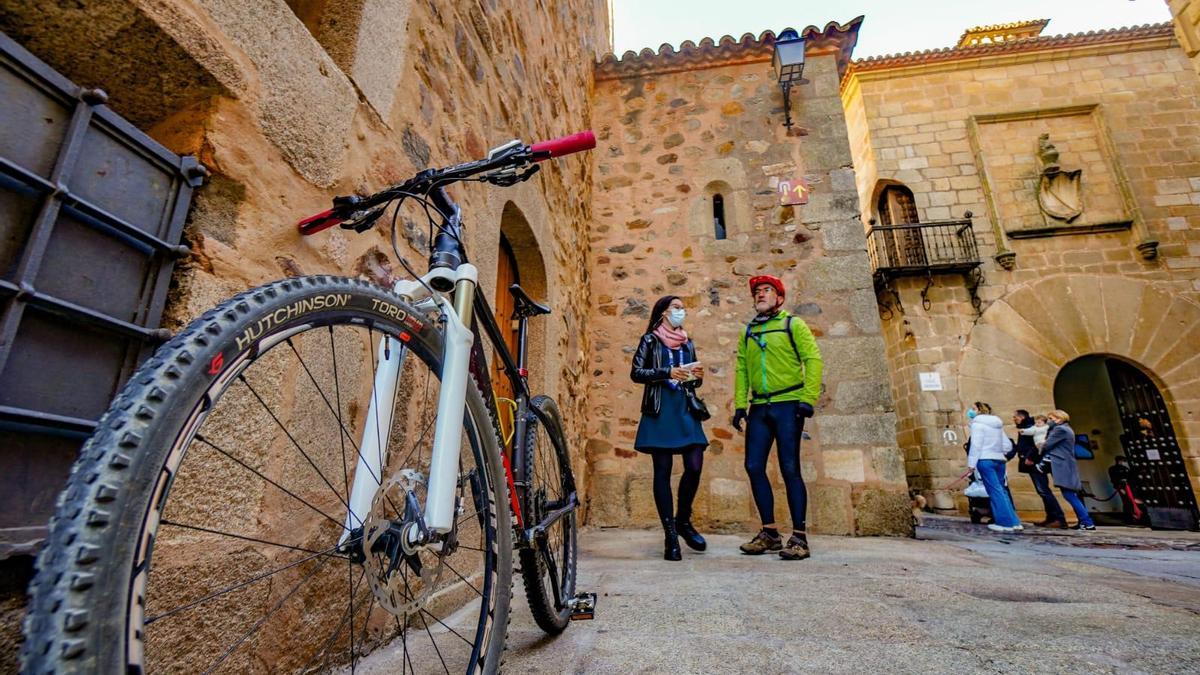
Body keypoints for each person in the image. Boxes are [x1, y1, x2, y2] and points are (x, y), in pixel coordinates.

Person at [731, 275, 822, 560]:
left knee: (789, 467)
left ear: (779, 298)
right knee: (753, 466)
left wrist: (807, 399)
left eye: (767, 290)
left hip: (788, 404)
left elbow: (813, 359)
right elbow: (742, 369)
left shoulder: (792, 324)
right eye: (757, 291)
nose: (760, 294)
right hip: (759, 407)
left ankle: (799, 538)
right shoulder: (748, 331)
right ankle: (769, 533)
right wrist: (739, 405)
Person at [631, 295, 709, 560]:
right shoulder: (650, 340)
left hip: (685, 409)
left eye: (682, 308)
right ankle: (670, 535)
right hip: (660, 410)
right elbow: (636, 372)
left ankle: (683, 520)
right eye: (676, 307)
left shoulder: (688, 342)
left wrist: (696, 377)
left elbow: (693, 381)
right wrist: (666, 372)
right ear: (663, 312)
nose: (681, 312)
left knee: (695, 465)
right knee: (662, 471)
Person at [966, 402, 1023, 533]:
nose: (971, 411)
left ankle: (1004, 523)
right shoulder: (997, 425)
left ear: (979, 411)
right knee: (1002, 490)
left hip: (985, 459)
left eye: (974, 409)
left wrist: (971, 464)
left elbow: (976, 445)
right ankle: (1015, 522)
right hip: (999, 459)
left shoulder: (977, 424)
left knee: (994, 491)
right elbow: (1007, 445)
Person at [1040, 409, 1095, 531]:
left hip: (1062, 465)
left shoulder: (1060, 429)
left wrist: (1040, 445)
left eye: (1051, 418)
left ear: (1059, 419)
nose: (1049, 421)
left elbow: (1047, 444)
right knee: (1070, 494)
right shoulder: (1065, 429)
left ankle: (1087, 522)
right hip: (1066, 465)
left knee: (1069, 495)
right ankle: (1083, 521)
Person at [1014, 410, 1065, 528]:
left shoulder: (1033, 427)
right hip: (1033, 462)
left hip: (1034, 463)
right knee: (1042, 491)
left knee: (1043, 490)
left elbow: (1038, 444)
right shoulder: (1029, 427)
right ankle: (1052, 517)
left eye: (1015, 417)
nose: (1014, 419)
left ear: (1021, 417)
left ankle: (1058, 518)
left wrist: (1031, 457)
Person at [1108, 456, 1141, 525]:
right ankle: (1129, 518)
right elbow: (1113, 479)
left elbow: (1130, 478)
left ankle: (1135, 516)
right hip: (1121, 487)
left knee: (1132, 501)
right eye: (1123, 461)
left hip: (1129, 486)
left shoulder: (1125, 468)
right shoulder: (1113, 469)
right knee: (1126, 502)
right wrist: (1119, 488)